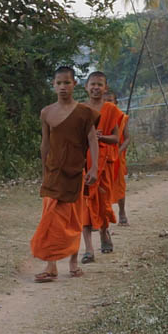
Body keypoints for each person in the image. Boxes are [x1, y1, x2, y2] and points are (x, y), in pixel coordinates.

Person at [31, 66, 99, 282]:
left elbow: (92, 139)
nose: (63, 87)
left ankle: (73, 263)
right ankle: (51, 266)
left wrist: (95, 167)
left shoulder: (85, 112)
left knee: (72, 219)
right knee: (50, 219)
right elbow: (45, 145)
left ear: (74, 84)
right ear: (53, 85)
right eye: (59, 83)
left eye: (67, 83)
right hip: (53, 173)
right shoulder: (46, 112)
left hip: (75, 172)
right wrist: (44, 172)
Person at [80, 71, 122, 263]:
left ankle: (104, 232)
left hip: (103, 163)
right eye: (93, 84)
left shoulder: (111, 109)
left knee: (103, 202)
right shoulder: (79, 109)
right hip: (82, 162)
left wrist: (100, 137)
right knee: (84, 204)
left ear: (105, 88)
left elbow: (116, 138)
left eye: (100, 85)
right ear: (86, 87)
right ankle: (88, 248)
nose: (96, 88)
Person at [104, 90, 131, 225]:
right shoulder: (98, 117)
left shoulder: (122, 118)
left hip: (117, 158)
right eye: (105, 101)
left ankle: (122, 212)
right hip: (102, 156)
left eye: (111, 100)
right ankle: (100, 216)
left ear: (116, 103)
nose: (108, 103)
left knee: (119, 186)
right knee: (101, 187)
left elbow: (127, 139)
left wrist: (119, 151)